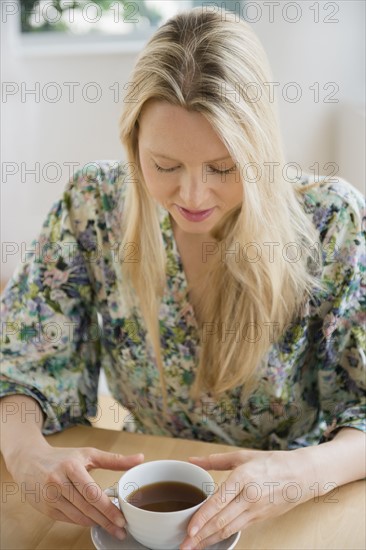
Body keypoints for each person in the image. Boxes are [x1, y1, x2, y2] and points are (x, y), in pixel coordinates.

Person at [1, 6, 365, 549]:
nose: (192, 197)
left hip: (290, 509)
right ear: (132, 143)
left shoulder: (332, 221)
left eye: (222, 167)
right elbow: (20, 371)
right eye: (165, 166)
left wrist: (298, 475)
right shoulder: (93, 209)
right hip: (143, 503)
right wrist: (28, 455)